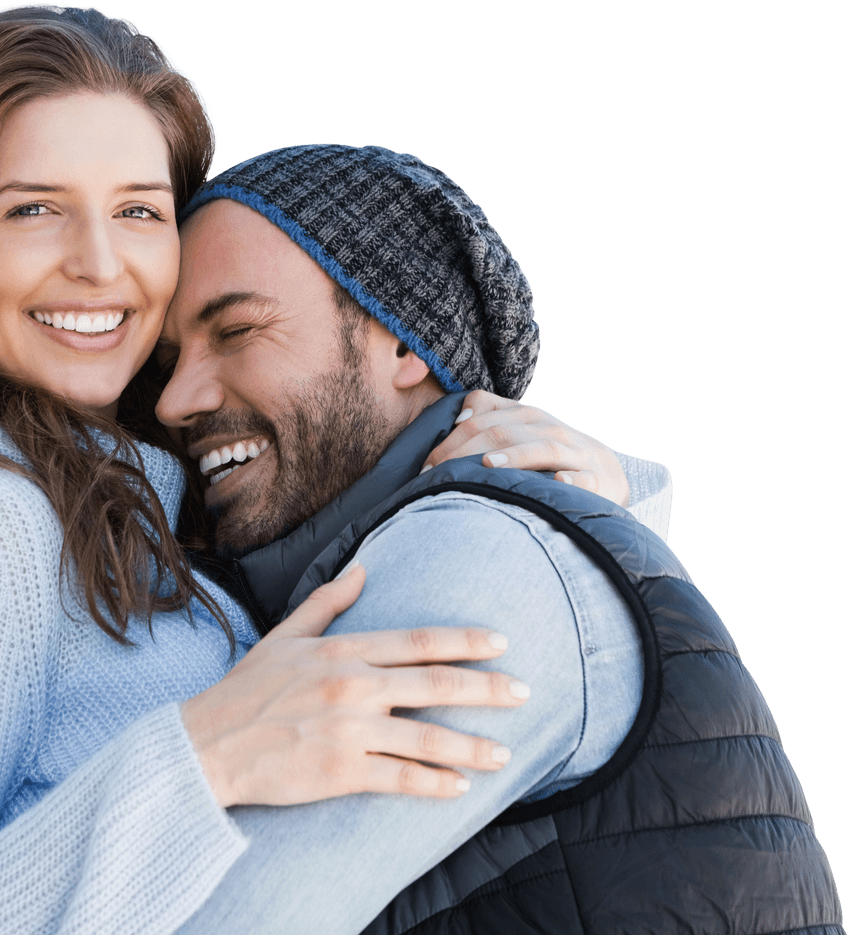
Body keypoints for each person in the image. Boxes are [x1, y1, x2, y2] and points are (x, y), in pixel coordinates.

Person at [0, 6, 675, 935]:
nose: (99, 265)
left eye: (138, 211)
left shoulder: (151, 489)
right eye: (33, 209)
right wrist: (200, 760)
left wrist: (594, 500)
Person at [156, 144, 844, 933]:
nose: (176, 399)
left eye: (237, 329)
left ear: (404, 340)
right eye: (169, 361)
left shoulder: (474, 557)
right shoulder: (469, 545)